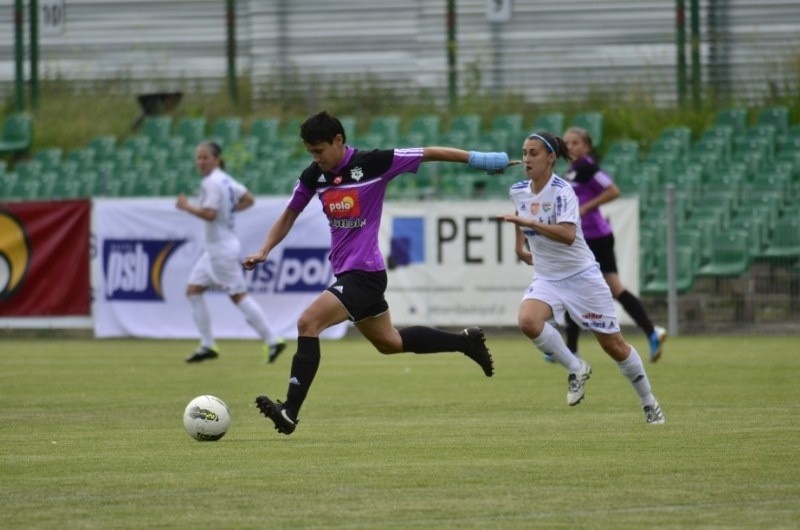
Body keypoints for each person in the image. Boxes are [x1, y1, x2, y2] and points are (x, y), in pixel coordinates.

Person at [242, 110, 512, 435]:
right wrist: (264, 250)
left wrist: (479, 160)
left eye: (319, 151)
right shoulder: (315, 176)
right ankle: (466, 343)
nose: (316, 159)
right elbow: (289, 215)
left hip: (364, 274)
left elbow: (428, 153)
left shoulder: (374, 164)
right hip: (351, 276)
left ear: (338, 141)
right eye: (310, 153)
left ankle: (290, 410)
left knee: (307, 322)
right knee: (390, 342)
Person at [497, 130, 665, 424]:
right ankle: (576, 367)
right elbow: (519, 211)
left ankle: (649, 402)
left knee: (614, 346)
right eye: (524, 153)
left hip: (582, 277)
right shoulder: (518, 189)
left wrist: (529, 222)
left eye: (533, 153)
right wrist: (518, 244)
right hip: (548, 276)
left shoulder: (563, 191)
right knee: (528, 321)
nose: (526, 159)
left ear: (551, 158)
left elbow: (567, 234)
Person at [560, 127, 666, 363]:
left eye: (576, 142)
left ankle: (572, 349)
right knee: (580, 287)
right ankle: (651, 332)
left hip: (595, 237)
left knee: (579, 287)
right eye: (567, 143)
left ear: (586, 147)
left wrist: (587, 207)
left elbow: (613, 190)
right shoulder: (572, 171)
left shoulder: (588, 168)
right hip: (585, 238)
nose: (570, 147)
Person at [176, 141, 286, 364]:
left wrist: (187, 206)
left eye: (205, 157)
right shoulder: (225, 180)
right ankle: (207, 345)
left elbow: (209, 214)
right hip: (217, 248)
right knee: (193, 290)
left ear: (216, 159)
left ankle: (272, 340)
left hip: (220, 249)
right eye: (198, 157)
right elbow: (249, 199)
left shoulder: (212, 183)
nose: (201, 161)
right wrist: (229, 211)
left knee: (238, 295)